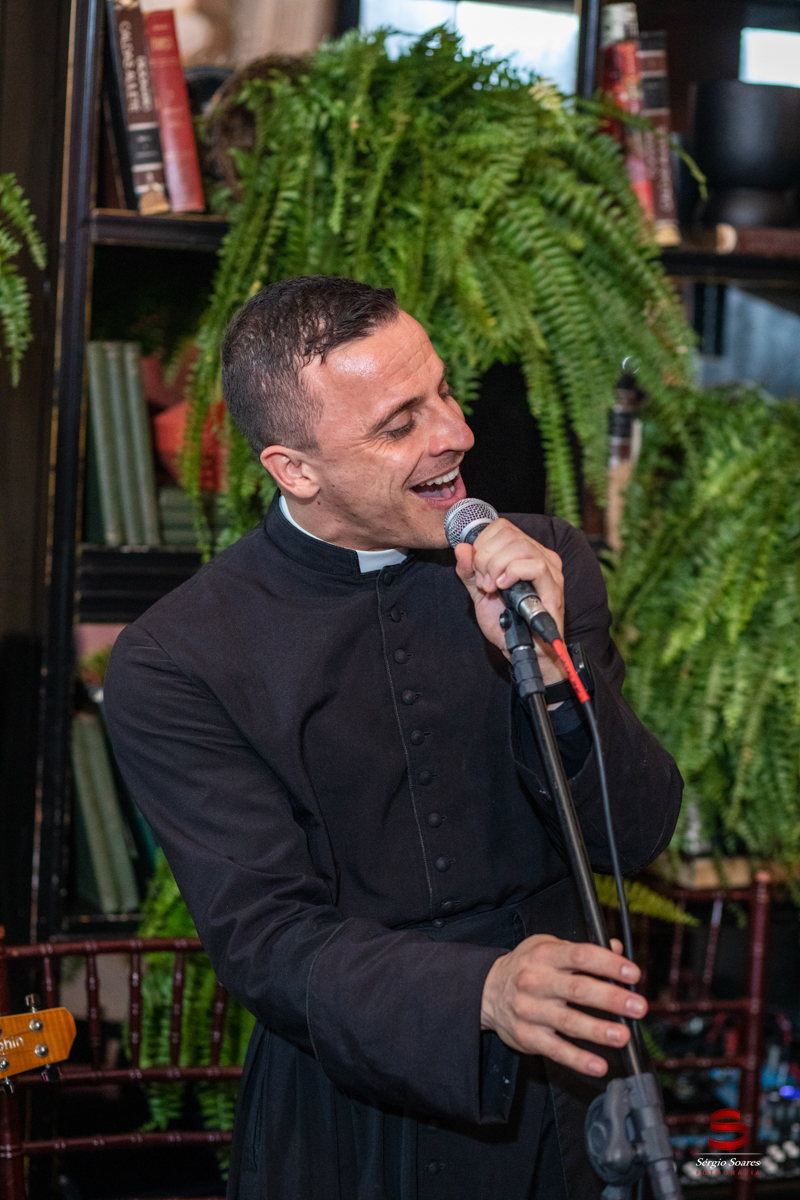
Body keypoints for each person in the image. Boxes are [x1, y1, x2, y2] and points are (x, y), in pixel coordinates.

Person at [104, 275, 682, 1200]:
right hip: (350, 1117)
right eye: (399, 423)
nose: (455, 433)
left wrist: (551, 666)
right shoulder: (178, 658)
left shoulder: (542, 563)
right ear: (295, 469)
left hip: (569, 1099)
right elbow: (265, 940)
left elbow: (637, 833)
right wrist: (481, 991)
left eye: (443, 392)